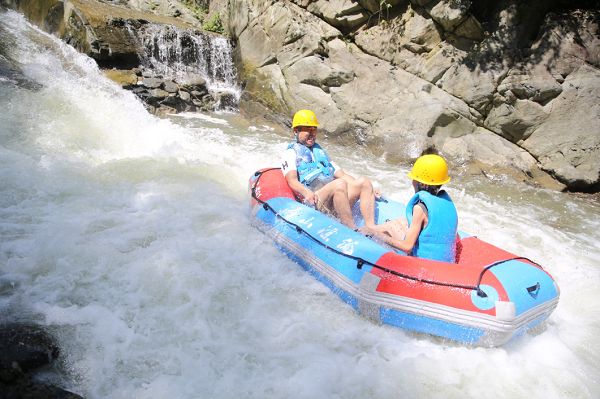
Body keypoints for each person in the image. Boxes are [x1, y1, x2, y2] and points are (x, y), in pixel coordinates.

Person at [281, 110, 379, 230]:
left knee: (364, 182)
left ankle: (372, 229)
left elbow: (342, 174)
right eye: (308, 130)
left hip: (334, 198)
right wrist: (307, 192)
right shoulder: (290, 153)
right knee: (339, 184)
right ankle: (351, 230)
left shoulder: (321, 153)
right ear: (296, 131)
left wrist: (369, 191)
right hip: (315, 200)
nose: (312, 134)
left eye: (314, 130)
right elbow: (292, 181)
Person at [359, 154, 458, 263]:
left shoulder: (420, 208)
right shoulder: (446, 202)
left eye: (415, 179)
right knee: (401, 222)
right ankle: (368, 229)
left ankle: (367, 231)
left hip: (422, 265)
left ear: (423, 184)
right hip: (444, 263)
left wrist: (376, 234)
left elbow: (407, 247)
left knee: (390, 228)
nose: (413, 182)